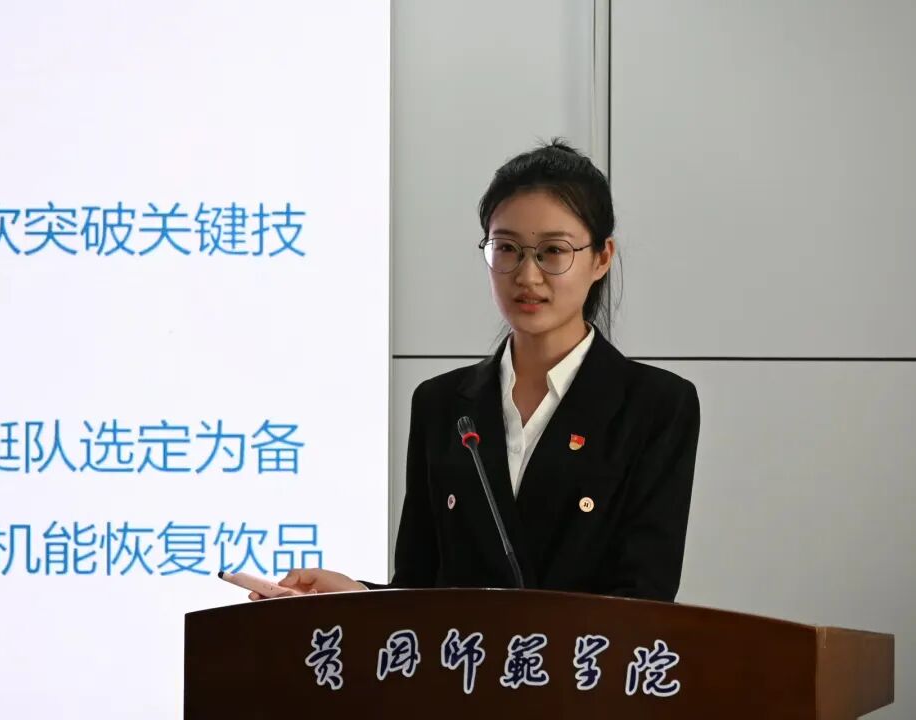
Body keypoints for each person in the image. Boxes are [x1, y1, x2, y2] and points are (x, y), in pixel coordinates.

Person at [253, 139, 700, 603]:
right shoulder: (441, 404)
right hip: (460, 654)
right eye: (506, 248)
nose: (527, 276)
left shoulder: (655, 406)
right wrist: (353, 598)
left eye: (553, 251)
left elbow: (644, 598)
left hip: (584, 653)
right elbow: (420, 589)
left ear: (601, 257)